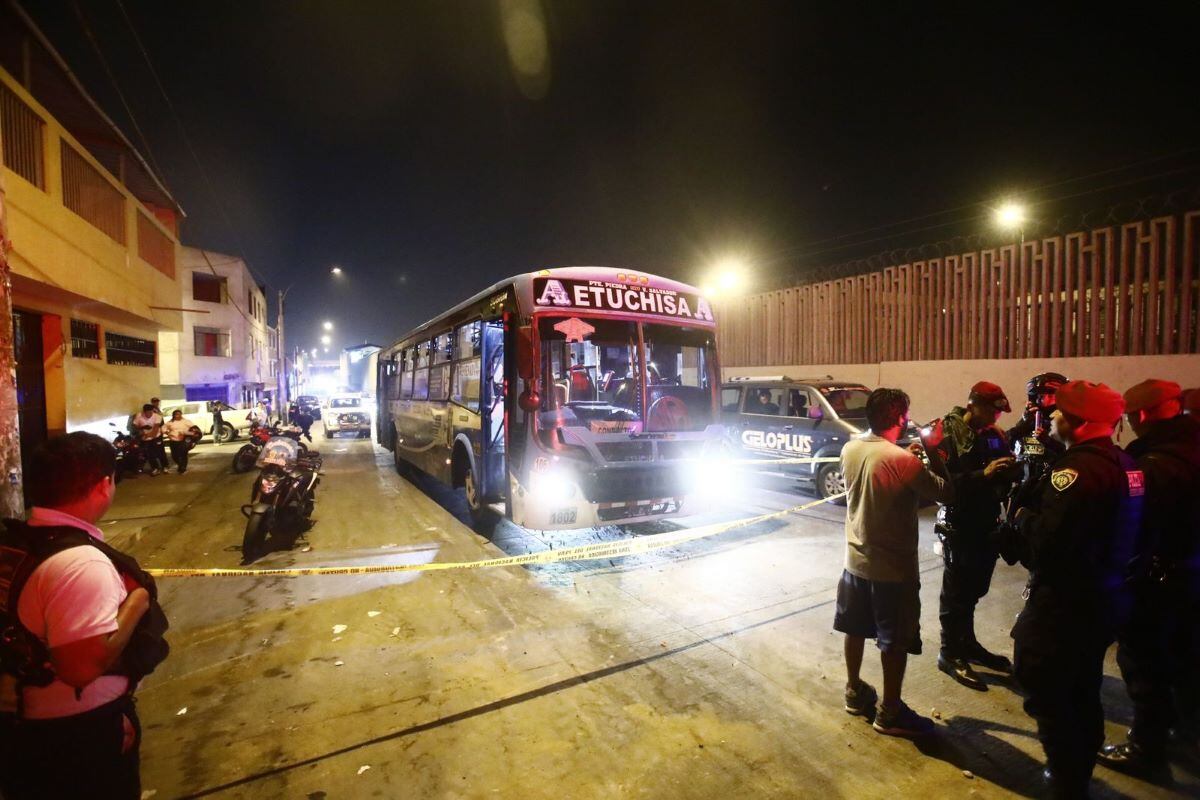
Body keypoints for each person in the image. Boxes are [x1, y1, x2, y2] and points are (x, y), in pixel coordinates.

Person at [0, 432, 169, 799]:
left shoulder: (18, 543)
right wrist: (137, 601)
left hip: (26, 729)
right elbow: (80, 669)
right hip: (75, 738)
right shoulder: (79, 563)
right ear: (103, 485)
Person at [1001, 380, 1143, 798]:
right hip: (1107, 594)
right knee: (1082, 684)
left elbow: (1048, 543)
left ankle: (1066, 774)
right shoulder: (1125, 463)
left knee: (1044, 678)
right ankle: (1076, 768)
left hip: (1065, 600)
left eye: (1060, 412)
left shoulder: (1074, 472)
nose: (1053, 418)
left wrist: (1022, 517)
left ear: (1079, 421)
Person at [835, 388, 954, 736]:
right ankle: (890, 711)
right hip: (892, 571)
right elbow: (947, 493)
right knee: (893, 640)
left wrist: (907, 455)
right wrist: (932, 451)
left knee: (855, 628)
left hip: (855, 562)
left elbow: (879, 470)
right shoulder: (905, 461)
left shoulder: (851, 447)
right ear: (900, 418)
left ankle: (854, 691)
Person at [1098, 380, 1200, 774]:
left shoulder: (1154, 465)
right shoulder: (1190, 446)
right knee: (1187, 658)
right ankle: (1184, 731)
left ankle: (1147, 748)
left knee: (1144, 660)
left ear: (1140, 416)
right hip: (1191, 573)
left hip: (1159, 578)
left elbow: (1134, 527)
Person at [932, 382, 1019, 690]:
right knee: (955, 594)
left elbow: (1006, 471)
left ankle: (967, 644)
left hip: (986, 523)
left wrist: (1010, 466)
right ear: (972, 405)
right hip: (959, 525)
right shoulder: (943, 433)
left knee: (973, 591)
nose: (996, 417)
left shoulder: (992, 434)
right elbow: (941, 484)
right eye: (992, 410)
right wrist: (984, 474)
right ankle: (949, 653)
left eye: (998, 412)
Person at [130, 403, 165, 476]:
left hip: (156, 437)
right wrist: (141, 431)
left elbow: (155, 430)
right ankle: (155, 468)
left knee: (160, 452)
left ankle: (165, 466)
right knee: (150, 454)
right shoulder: (139, 415)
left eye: (151, 412)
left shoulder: (157, 416)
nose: (150, 414)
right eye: (148, 412)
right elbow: (135, 426)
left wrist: (146, 435)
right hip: (145, 438)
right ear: (144, 411)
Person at [163, 409, 196, 474]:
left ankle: (183, 468)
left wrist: (188, 433)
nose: (177, 416)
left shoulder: (186, 421)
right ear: (173, 415)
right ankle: (180, 465)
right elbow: (163, 428)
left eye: (179, 414)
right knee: (174, 455)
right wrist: (167, 432)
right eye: (176, 414)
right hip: (173, 440)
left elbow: (194, 429)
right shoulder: (170, 422)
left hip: (183, 441)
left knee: (183, 455)